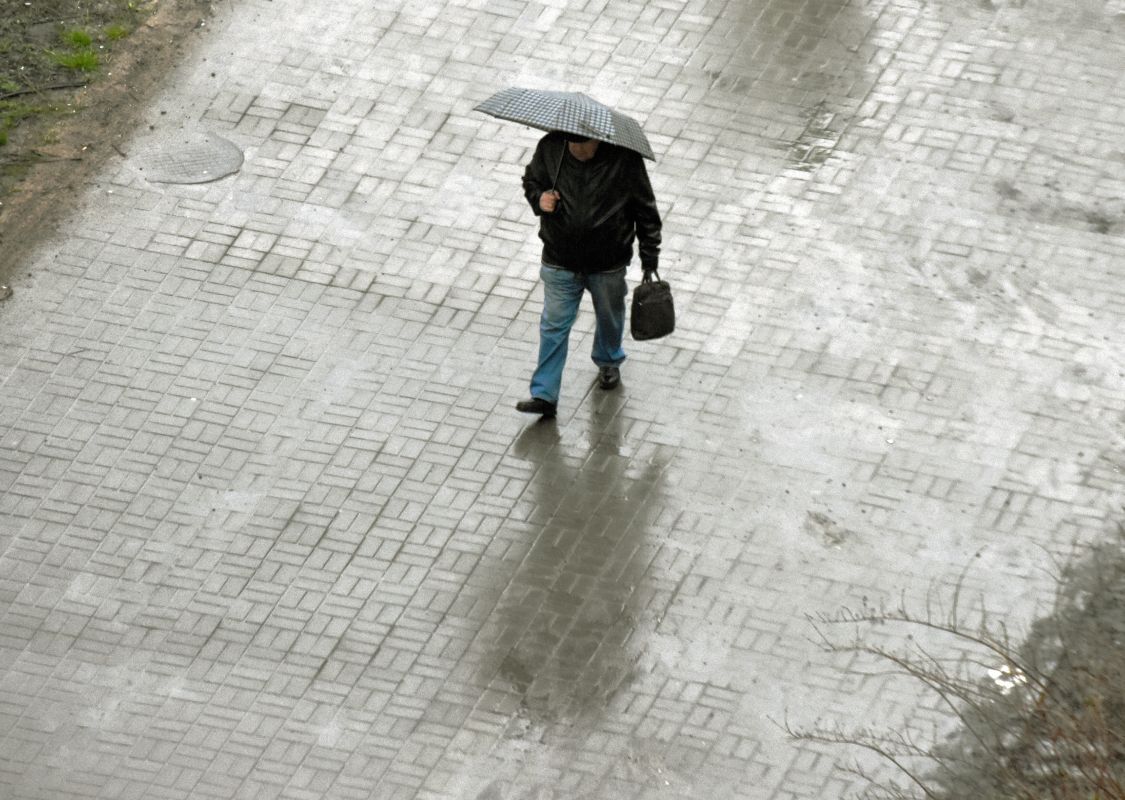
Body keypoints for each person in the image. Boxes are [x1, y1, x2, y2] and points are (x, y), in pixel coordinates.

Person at [515, 130, 662, 418]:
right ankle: (544, 394)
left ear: (598, 139)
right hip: (560, 259)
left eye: (582, 144)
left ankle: (608, 359)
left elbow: (645, 210)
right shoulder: (551, 147)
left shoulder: (624, 160)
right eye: (571, 144)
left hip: (607, 263)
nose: (576, 150)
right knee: (553, 326)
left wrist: (650, 258)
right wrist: (539, 198)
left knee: (609, 315)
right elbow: (531, 180)